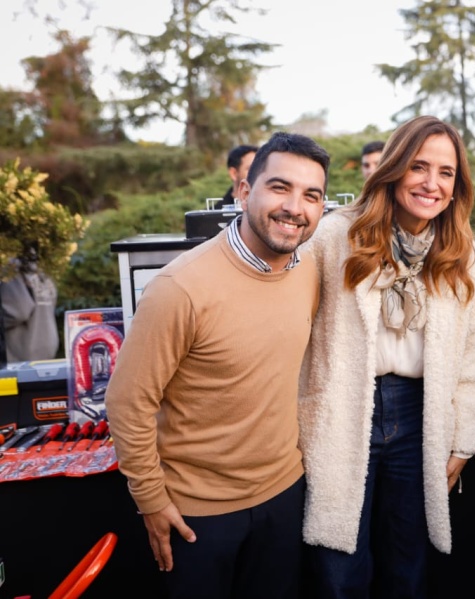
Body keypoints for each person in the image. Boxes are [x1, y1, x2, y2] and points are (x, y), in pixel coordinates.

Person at [106, 132, 329, 597]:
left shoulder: (308, 271)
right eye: (280, 187)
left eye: (312, 195)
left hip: (285, 495)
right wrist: (150, 499)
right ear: (244, 191)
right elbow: (128, 402)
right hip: (198, 513)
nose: (296, 207)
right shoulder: (180, 288)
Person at [297, 115, 475, 598]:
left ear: (456, 184)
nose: (431, 183)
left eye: (445, 173)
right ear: (393, 168)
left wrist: (464, 440)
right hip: (344, 410)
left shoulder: (461, 253)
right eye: (418, 166)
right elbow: (292, 331)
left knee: (406, 565)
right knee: (340, 568)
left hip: (419, 414)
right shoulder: (334, 236)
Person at [1, 268, 58, 362]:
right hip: (44, 352)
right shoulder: (41, 268)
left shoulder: (10, 269)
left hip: (19, 358)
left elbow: (17, 311)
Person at [216, 144, 258, 209]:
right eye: (251, 168)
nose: (258, 173)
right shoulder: (215, 214)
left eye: (260, 168)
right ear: (234, 173)